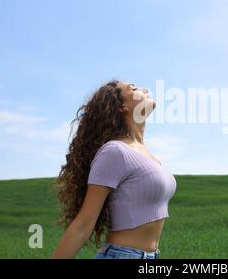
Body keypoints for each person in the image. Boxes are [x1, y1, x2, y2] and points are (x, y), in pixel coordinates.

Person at [51, 79, 177, 259]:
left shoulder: (147, 155)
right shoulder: (115, 151)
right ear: (122, 107)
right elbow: (82, 226)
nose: (146, 90)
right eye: (133, 88)